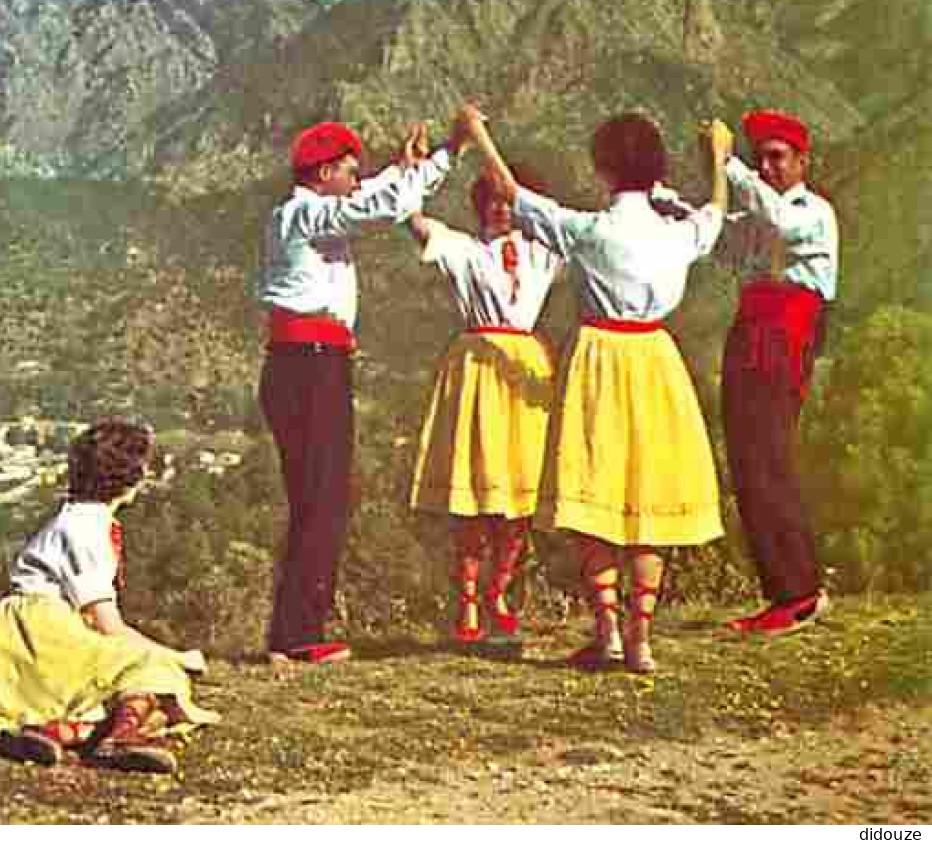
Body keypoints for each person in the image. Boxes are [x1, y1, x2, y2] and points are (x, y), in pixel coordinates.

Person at [467, 109, 733, 674]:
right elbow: (714, 214)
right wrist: (718, 156)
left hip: (600, 359)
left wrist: (479, 134)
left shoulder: (589, 230)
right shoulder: (676, 232)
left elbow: (511, 192)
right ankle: (641, 636)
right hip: (656, 357)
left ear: (603, 166)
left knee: (597, 493)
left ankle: (608, 628)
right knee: (647, 497)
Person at [256, 108, 472, 665]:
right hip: (310, 362)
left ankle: (296, 627)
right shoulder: (302, 215)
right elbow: (382, 202)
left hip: (311, 360)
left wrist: (444, 153)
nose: (357, 176)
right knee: (321, 495)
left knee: (318, 494)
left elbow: (382, 192)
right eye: (348, 168)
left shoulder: (309, 213)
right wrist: (417, 167)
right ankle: (300, 632)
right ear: (323, 173)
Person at [0, 419, 218, 774]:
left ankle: (58, 732)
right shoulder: (86, 530)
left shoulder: (77, 520)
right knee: (153, 670)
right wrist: (174, 655)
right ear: (130, 477)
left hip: (18, 640)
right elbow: (107, 624)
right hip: (41, 634)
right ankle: (117, 735)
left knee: (135, 683)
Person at [406, 164, 563, 647]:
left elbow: (593, 238)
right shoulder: (464, 251)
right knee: (474, 490)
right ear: (479, 207)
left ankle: (499, 590)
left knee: (521, 490)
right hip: (477, 367)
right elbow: (413, 219)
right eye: (492, 200)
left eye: (509, 201)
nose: (502, 209)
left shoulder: (544, 254)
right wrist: (413, 176)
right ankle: (469, 599)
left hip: (524, 369)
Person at [718, 110, 839, 636]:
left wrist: (728, 165)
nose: (766, 167)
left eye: (777, 157)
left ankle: (799, 589)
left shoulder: (814, 212)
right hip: (753, 328)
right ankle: (784, 588)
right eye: (760, 157)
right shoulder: (761, 214)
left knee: (770, 455)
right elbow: (728, 243)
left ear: (801, 161)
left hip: (786, 333)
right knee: (748, 456)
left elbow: (778, 224)